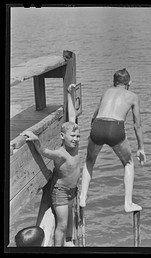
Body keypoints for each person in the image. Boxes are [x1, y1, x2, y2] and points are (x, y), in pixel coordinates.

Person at [20, 85, 80, 247]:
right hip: (60, 192)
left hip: (72, 191)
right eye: (72, 136)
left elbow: (73, 117)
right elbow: (44, 151)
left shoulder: (75, 147)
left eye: (77, 135)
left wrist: (69, 93)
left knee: (69, 221)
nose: (76, 138)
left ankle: (69, 241)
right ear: (62, 136)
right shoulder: (60, 153)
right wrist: (35, 139)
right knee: (61, 225)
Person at [79, 68, 146, 212]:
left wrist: (93, 134)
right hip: (115, 128)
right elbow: (137, 125)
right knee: (128, 163)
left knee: (89, 160)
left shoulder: (106, 92)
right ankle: (128, 203)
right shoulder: (133, 96)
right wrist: (140, 147)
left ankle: (82, 197)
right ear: (130, 83)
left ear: (113, 83)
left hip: (98, 125)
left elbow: (93, 116)